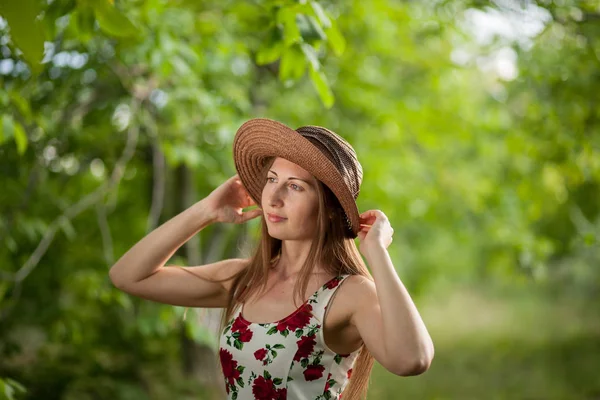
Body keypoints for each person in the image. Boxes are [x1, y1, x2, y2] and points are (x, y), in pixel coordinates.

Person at [109, 118, 434, 400]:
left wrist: (376, 252)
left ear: (331, 209)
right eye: (271, 180)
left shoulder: (349, 294)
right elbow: (128, 276)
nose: (274, 198)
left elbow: (413, 359)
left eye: (295, 187)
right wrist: (204, 211)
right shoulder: (243, 280)